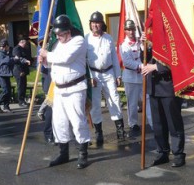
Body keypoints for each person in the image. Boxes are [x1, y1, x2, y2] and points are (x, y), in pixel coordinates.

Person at [39, 14, 91, 169]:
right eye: (56, 33)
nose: (58, 36)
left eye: (61, 33)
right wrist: (44, 60)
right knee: (59, 122)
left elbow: (66, 58)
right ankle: (63, 152)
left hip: (75, 88)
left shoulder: (79, 41)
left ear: (69, 31)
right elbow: (52, 64)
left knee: (77, 121)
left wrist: (48, 55)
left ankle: (82, 153)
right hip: (59, 90)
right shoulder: (56, 45)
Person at [141, 33, 186, 167]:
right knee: (158, 124)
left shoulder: (171, 39)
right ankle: (162, 151)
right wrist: (145, 47)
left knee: (173, 123)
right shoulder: (153, 42)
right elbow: (144, 60)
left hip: (168, 88)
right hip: (154, 88)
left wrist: (155, 67)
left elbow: (176, 61)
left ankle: (178, 154)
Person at [85, 11, 126, 145]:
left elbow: (114, 58)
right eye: (93, 23)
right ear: (90, 24)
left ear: (102, 24)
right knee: (96, 105)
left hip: (108, 73)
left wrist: (118, 74)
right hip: (95, 75)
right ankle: (99, 132)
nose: (95, 25)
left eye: (98, 23)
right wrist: (90, 77)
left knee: (114, 100)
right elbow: (85, 60)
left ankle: (120, 130)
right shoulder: (86, 39)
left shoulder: (108, 38)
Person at [119, 19, 147, 137]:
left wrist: (144, 45)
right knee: (132, 103)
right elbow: (127, 62)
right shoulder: (123, 45)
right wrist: (141, 66)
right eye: (128, 30)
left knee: (147, 100)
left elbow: (145, 55)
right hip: (130, 77)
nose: (130, 32)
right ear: (125, 31)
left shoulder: (140, 42)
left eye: (132, 29)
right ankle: (133, 123)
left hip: (142, 76)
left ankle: (151, 121)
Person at [0, 39, 16, 112]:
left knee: (8, 91)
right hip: (1, 73)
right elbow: (5, 61)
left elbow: (11, 59)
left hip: (6, 72)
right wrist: (12, 58)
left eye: (4, 46)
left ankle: (6, 106)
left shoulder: (7, 52)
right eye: (2, 46)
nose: (3, 48)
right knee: (5, 90)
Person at [12, 37, 31, 107]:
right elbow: (18, 59)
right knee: (20, 86)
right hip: (19, 70)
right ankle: (21, 101)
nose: (26, 45)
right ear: (21, 42)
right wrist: (21, 70)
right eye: (25, 43)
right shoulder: (16, 49)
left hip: (24, 71)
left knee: (24, 86)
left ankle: (23, 100)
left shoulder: (23, 49)